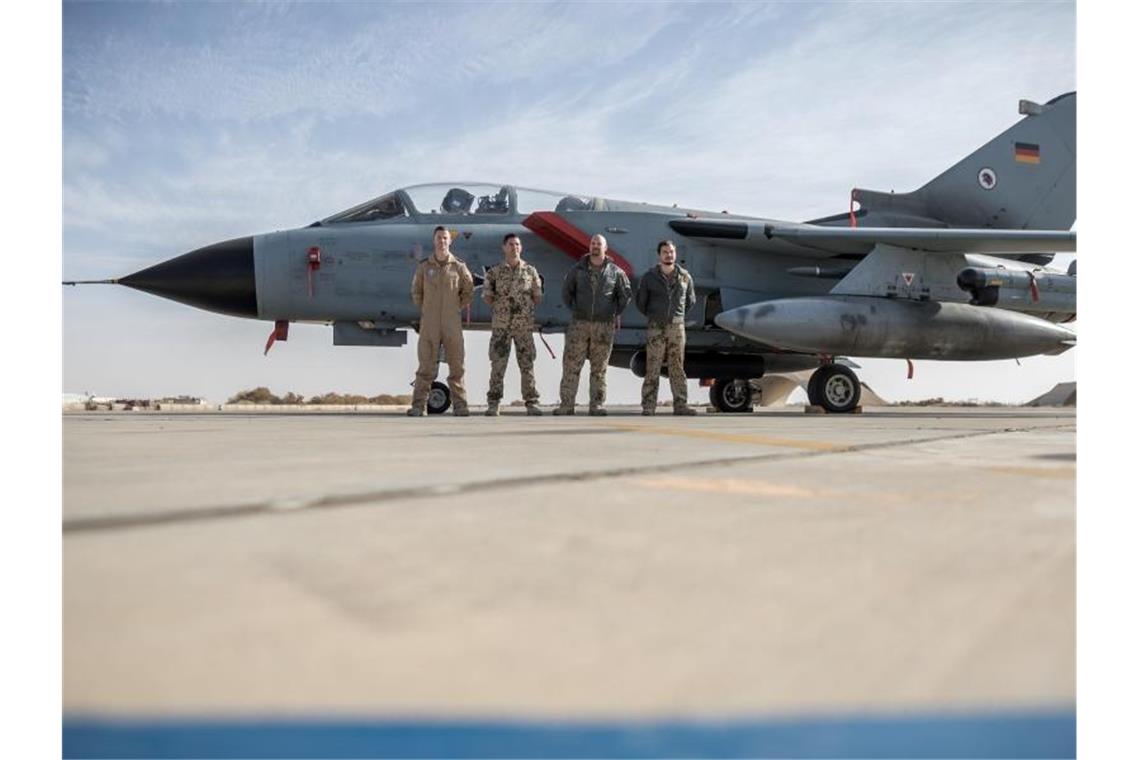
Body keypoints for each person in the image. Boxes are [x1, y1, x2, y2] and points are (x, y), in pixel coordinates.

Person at [555, 234, 631, 416]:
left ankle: (596, 405)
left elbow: (625, 296)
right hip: (579, 325)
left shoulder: (616, 272)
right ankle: (567, 405)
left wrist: (612, 313)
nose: (595, 246)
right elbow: (567, 292)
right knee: (571, 365)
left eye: (599, 244)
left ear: (606, 248)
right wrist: (577, 310)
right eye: (593, 243)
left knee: (599, 368)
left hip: (603, 326)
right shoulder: (577, 270)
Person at [408, 226, 474, 416]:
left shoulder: (459, 267)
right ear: (434, 240)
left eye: (445, 238)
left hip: (452, 322)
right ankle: (418, 406)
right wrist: (428, 310)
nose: (442, 241)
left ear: (450, 241)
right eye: (439, 238)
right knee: (425, 366)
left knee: (457, 365)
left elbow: (468, 291)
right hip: (429, 323)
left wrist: (454, 308)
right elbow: (416, 292)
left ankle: (461, 406)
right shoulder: (424, 266)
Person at [483, 233, 543, 416]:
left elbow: (537, 297)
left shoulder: (531, 272)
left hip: (523, 327)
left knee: (527, 365)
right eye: (511, 244)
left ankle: (532, 402)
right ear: (504, 248)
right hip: (501, 327)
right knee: (498, 365)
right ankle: (493, 403)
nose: (514, 247)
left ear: (521, 248)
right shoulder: (494, 272)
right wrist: (504, 310)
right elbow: (488, 297)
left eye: (517, 244)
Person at [635, 240, 697, 415]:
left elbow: (690, 301)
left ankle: (681, 405)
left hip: (677, 327)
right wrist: (655, 315)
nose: (668, 255)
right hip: (656, 327)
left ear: (675, 254)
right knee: (652, 367)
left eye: (671, 252)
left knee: (677, 367)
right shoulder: (649, 277)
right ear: (659, 255)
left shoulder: (685, 277)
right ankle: (648, 406)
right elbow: (641, 302)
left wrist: (676, 316)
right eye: (665, 252)